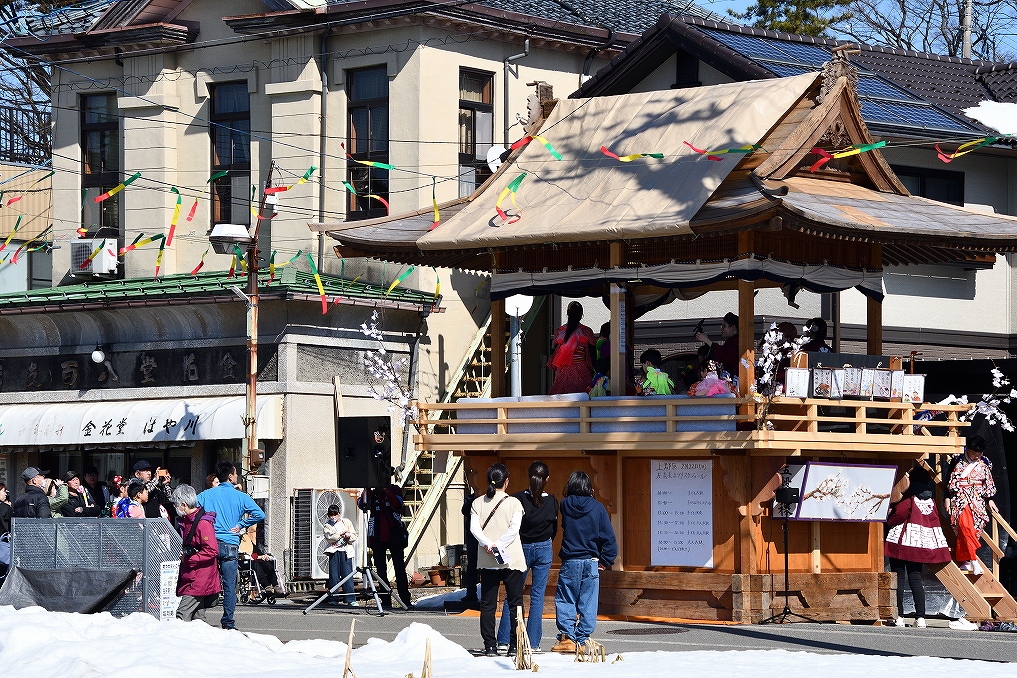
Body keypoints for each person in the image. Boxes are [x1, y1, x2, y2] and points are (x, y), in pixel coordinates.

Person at [496, 461, 559, 652]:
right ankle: (533, 643)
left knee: (513, 594)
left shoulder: (517, 499)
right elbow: (554, 529)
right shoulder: (552, 501)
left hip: (520, 547)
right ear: (547, 479)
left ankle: (504, 641)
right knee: (537, 597)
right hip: (544, 547)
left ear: (528, 477)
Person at [196, 461, 266, 630]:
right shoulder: (241, 496)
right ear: (230, 476)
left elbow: (191, 510)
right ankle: (228, 621)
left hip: (210, 543)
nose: (236, 476)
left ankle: (199, 618)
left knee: (203, 581)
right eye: (235, 473)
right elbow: (259, 514)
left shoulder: (206, 495)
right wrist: (241, 524)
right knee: (229, 586)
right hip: (230, 543)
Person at [552, 471, 617, 655]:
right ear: (589, 487)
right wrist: (605, 560)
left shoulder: (565, 505)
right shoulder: (598, 508)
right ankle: (582, 639)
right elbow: (610, 541)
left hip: (570, 560)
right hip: (591, 561)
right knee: (589, 602)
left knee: (566, 598)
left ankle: (568, 638)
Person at [884, 464, 950, 628]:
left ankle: (899, 616)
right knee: (916, 579)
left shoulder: (908, 494)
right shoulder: (930, 497)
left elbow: (900, 514)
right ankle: (920, 618)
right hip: (919, 543)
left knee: (899, 579)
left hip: (902, 542)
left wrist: (888, 520)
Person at [471, 463, 525, 657]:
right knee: (515, 603)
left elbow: (474, 529)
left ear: (488, 481)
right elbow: (514, 529)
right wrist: (499, 544)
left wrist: (488, 544)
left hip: (487, 559)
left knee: (488, 604)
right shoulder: (514, 503)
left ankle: (490, 646)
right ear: (507, 481)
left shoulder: (477, 503)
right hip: (511, 558)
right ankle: (515, 645)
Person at [358, 468, 413, 609]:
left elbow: (397, 505)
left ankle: (405, 600)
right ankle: (385, 600)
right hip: (377, 535)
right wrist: (369, 488)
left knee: (399, 569)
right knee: (381, 571)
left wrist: (386, 490)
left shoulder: (395, 489)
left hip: (394, 534)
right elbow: (362, 504)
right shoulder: (371, 493)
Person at [945, 435, 998, 575]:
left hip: (977, 500)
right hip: (961, 499)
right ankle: (974, 560)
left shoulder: (985, 462)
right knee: (964, 526)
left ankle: (966, 561)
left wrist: (990, 499)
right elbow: (948, 479)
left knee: (974, 529)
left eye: (978, 454)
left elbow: (988, 482)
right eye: (973, 453)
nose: (976, 456)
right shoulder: (957, 460)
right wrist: (946, 497)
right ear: (967, 449)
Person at [170, 484, 221, 622]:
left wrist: (190, 559)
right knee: (198, 619)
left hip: (198, 578)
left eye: (176, 505)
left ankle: (178, 636)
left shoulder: (202, 523)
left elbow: (212, 550)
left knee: (182, 615)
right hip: (194, 576)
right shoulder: (190, 521)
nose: (175, 508)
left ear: (183, 504)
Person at [548, 301, 597, 395]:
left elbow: (554, 352)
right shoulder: (586, 331)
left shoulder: (559, 331)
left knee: (560, 397)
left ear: (567, 313)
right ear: (581, 314)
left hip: (563, 371)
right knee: (584, 397)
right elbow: (592, 354)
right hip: (581, 370)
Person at [323, 503, 359, 606]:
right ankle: (333, 598)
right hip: (334, 551)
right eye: (331, 515)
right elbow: (329, 537)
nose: (333, 517)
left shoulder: (346, 522)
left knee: (347, 575)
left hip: (346, 551)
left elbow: (354, 536)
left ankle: (350, 599)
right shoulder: (327, 525)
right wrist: (340, 534)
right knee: (334, 576)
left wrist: (348, 536)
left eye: (335, 514)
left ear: (339, 513)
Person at [694, 312, 740, 376]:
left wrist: (707, 340)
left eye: (724, 326)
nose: (721, 329)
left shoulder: (735, 341)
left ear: (733, 327)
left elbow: (723, 355)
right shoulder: (733, 340)